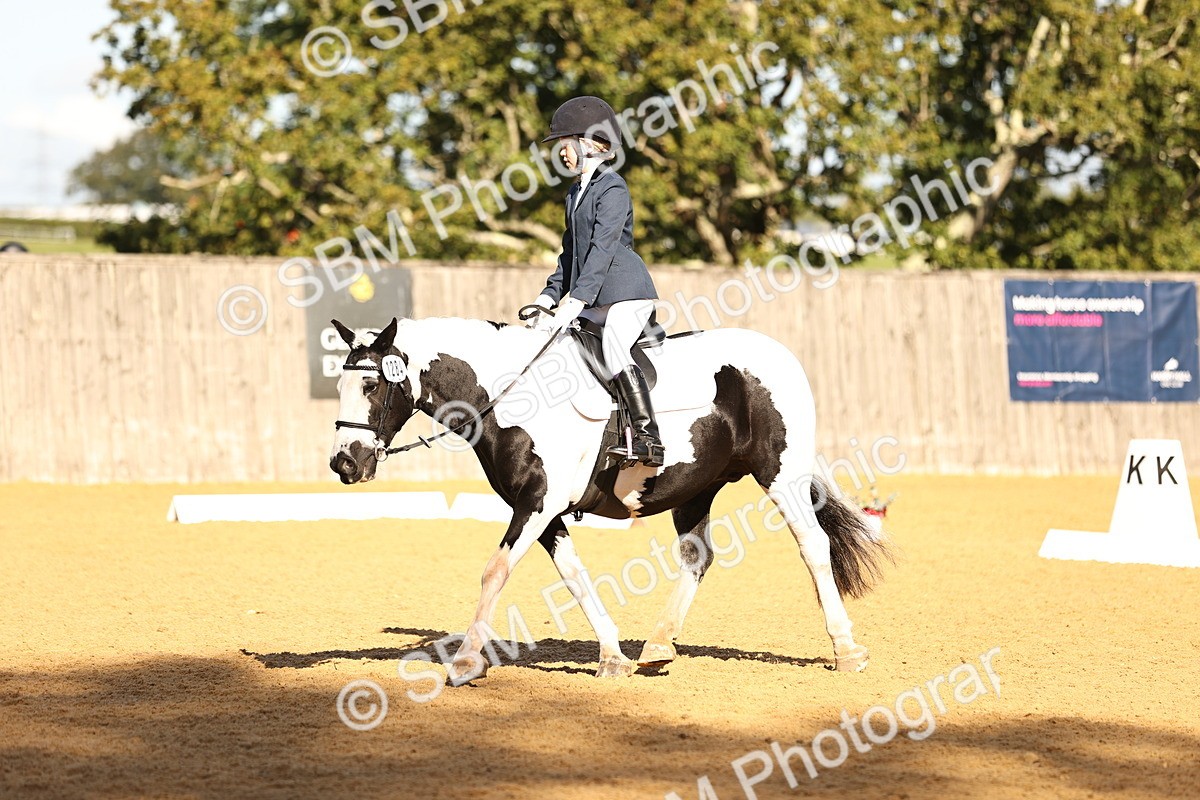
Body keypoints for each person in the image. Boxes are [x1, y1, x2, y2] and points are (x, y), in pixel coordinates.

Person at [525, 96, 664, 468]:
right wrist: (549, 295)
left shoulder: (613, 188)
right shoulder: (573, 194)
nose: (562, 154)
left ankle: (649, 438)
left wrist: (577, 300)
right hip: (594, 296)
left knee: (616, 348)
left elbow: (602, 249)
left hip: (625, 293)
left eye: (564, 145)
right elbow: (570, 254)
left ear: (587, 143)